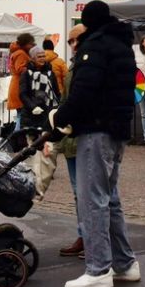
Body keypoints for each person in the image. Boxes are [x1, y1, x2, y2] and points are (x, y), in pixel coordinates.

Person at [51, 0, 139, 287]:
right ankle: (125, 263)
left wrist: (60, 118)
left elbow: (84, 91)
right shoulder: (123, 46)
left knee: (93, 200)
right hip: (117, 130)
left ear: (88, 23)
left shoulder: (95, 48)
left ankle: (98, 269)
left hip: (96, 130)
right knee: (110, 198)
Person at [58, 24, 88, 258]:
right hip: (70, 137)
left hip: (85, 136)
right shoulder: (73, 64)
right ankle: (84, 234)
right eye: (70, 41)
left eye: (77, 39)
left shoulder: (89, 64)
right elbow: (65, 99)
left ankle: (92, 238)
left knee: (89, 192)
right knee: (79, 192)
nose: (73, 44)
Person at [20, 44, 61, 199]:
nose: (43, 59)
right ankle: (30, 185)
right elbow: (23, 94)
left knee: (46, 152)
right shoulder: (26, 73)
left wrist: (57, 107)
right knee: (32, 151)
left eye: (44, 56)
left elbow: (56, 92)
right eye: (39, 56)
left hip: (46, 116)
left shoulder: (50, 72)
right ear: (32, 58)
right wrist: (32, 107)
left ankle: (39, 186)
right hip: (31, 117)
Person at [6, 32, 35, 128]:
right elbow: (20, 68)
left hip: (17, 85)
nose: (31, 45)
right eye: (30, 43)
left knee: (21, 114)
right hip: (19, 86)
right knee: (21, 115)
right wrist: (32, 68)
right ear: (25, 43)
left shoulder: (18, 52)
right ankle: (17, 136)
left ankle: (17, 136)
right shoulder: (21, 53)